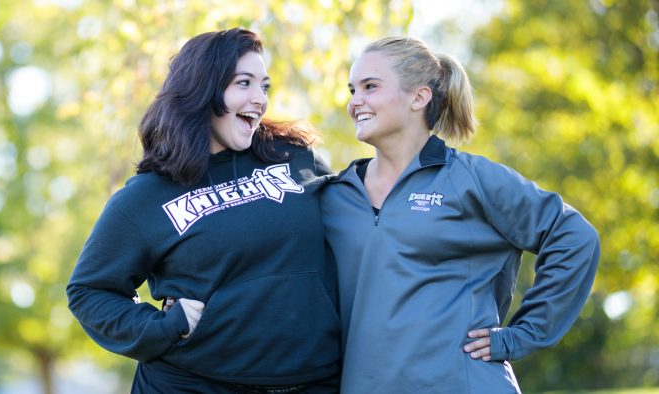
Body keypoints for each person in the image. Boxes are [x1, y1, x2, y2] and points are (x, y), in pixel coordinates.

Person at [319, 36, 601, 393]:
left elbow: (574, 236)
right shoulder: (333, 197)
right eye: (352, 89)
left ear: (419, 97)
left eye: (370, 87)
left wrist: (521, 335)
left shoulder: (471, 180)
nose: (355, 101)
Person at [67, 28, 340, 393]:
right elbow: (89, 290)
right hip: (194, 383)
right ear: (203, 88)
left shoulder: (295, 158)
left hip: (314, 380)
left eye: (265, 86)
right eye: (244, 83)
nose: (259, 99)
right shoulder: (148, 195)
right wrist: (163, 327)